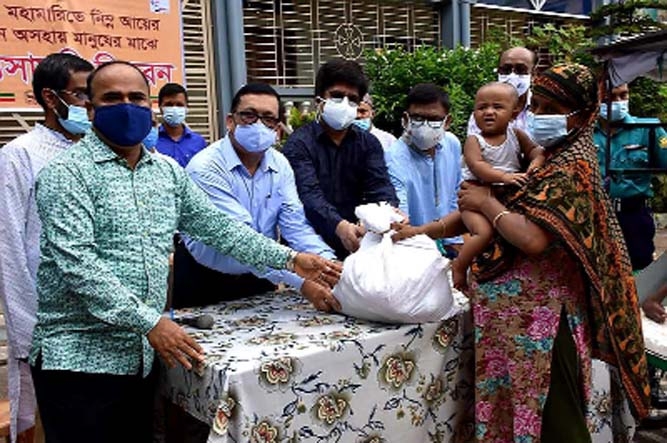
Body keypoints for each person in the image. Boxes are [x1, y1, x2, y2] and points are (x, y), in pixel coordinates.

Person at [27, 60, 341, 443]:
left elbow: (220, 229)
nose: (127, 106)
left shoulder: (166, 173)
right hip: (80, 356)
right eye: (112, 98)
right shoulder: (66, 174)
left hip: (138, 355)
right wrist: (149, 321)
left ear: (151, 108)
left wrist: (291, 259)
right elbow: (78, 264)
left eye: (137, 98)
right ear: (91, 109)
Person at [393, 63, 649, 441]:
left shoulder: (571, 168)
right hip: (510, 321)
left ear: (581, 113)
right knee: (511, 412)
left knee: (554, 417)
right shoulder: (542, 160)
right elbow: (474, 210)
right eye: (538, 107)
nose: (541, 117)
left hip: (543, 320)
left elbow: (531, 239)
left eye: (551, 108)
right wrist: (422, 230)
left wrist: (487, 202)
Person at [173, 82, 340, 312]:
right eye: (249, 116)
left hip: (259, 278)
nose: (258, 124)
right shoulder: (205, 168)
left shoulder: (280, 164)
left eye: (268, 118)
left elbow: (295, 225)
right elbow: (239, 239)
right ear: (230, 121)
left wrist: (329, 266)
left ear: (277, 129)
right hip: (203, 280)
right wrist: (301, 282)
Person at [0, 53, 94, 443]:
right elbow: (8, 246)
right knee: (41, 422)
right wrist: (26, 330)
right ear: (50, 98)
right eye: (82, 94)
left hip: (96, 315)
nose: (90, 104)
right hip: (45, 322)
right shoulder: (19, 155)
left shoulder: (97, 153)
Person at [282, 59, 398, 259]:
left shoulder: (369, 143)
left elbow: (381, 189)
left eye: (352, 99)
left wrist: (381, 217)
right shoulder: (299, 143)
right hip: (308, 248)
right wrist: (340, 226)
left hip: (361, 245)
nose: (345, 104)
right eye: (336, 96)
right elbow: (308, 195)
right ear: (319, 100)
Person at [454, 82, 544, 289]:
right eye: (482, 107)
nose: (489, 112)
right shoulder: (474, 140)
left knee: (506, 233)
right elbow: (478, 166)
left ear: (515, 112)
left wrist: (535, 164)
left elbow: (536, 151)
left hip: (502, 196)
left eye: (497, 107)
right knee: (483, 233)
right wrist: (505, 177)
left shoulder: (516, 135)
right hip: (474, 198)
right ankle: (459, 265)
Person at [383, 83, 464, 259]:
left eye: (434, 120)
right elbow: (401, 217)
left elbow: (455, 195)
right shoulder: (393, 158)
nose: (425, 127)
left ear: (447, 122)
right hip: (413, 247)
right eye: (418, 118)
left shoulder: (452, 144)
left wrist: (454, 242)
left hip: (448, 240)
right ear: (405, 120)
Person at [594, 82, 667, 271]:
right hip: (594, 213)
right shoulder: (584, 133)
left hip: (633, 213)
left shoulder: (647, 129)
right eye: (609, 98)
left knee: (638, 270)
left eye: (623, 96)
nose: (618, 102)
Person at [467, 46, 537, 137]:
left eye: (520, 70)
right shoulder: (484, 113)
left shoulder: (540, 111)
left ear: (534, 74)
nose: (512, 76)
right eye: (506, 70)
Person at [155, 82, 207, 167]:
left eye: (179, 105)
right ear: (160, 107)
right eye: (169, 105)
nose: (174, 109)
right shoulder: (152, 141)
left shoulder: (199, 142)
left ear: (186, 107)